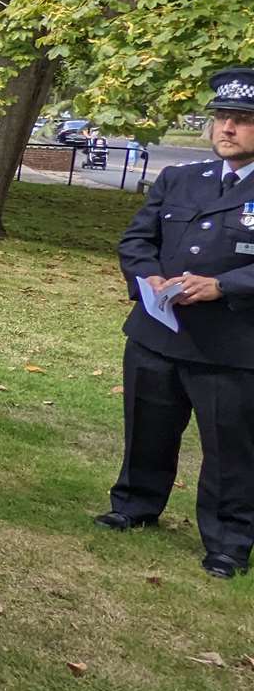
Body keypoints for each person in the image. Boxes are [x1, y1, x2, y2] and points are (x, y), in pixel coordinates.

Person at [99, 68, 254, 580]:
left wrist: (223, 286)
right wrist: (152, 278)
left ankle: (229, 539)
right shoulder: (180, 178)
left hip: (231, 342)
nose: (227, 129)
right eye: (222, 119)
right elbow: (136, 240)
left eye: (243, 120)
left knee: (230, 444)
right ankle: (136, 503)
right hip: (159, 329)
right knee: (148, 424)